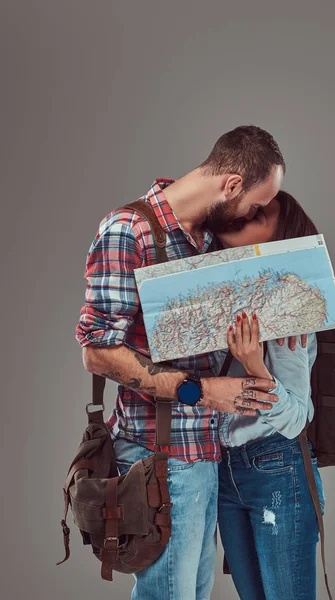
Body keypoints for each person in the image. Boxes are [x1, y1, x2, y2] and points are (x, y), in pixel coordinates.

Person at [75, 126, 304, 600]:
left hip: (205, 456)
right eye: (256, 205)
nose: (255, 215)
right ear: (233, 185)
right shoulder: (128, 230)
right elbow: (96, 350)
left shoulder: (208, 241)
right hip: (158, 455)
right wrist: (198, 390)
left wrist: (293, 304)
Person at [214, 190, 325, 600]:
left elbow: (297, 418)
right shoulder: (217, 295)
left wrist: (256, 365)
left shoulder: (289, 313)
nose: (248, 212)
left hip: (276, 465)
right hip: (224, 471)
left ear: (277, 238)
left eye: (262, 214)